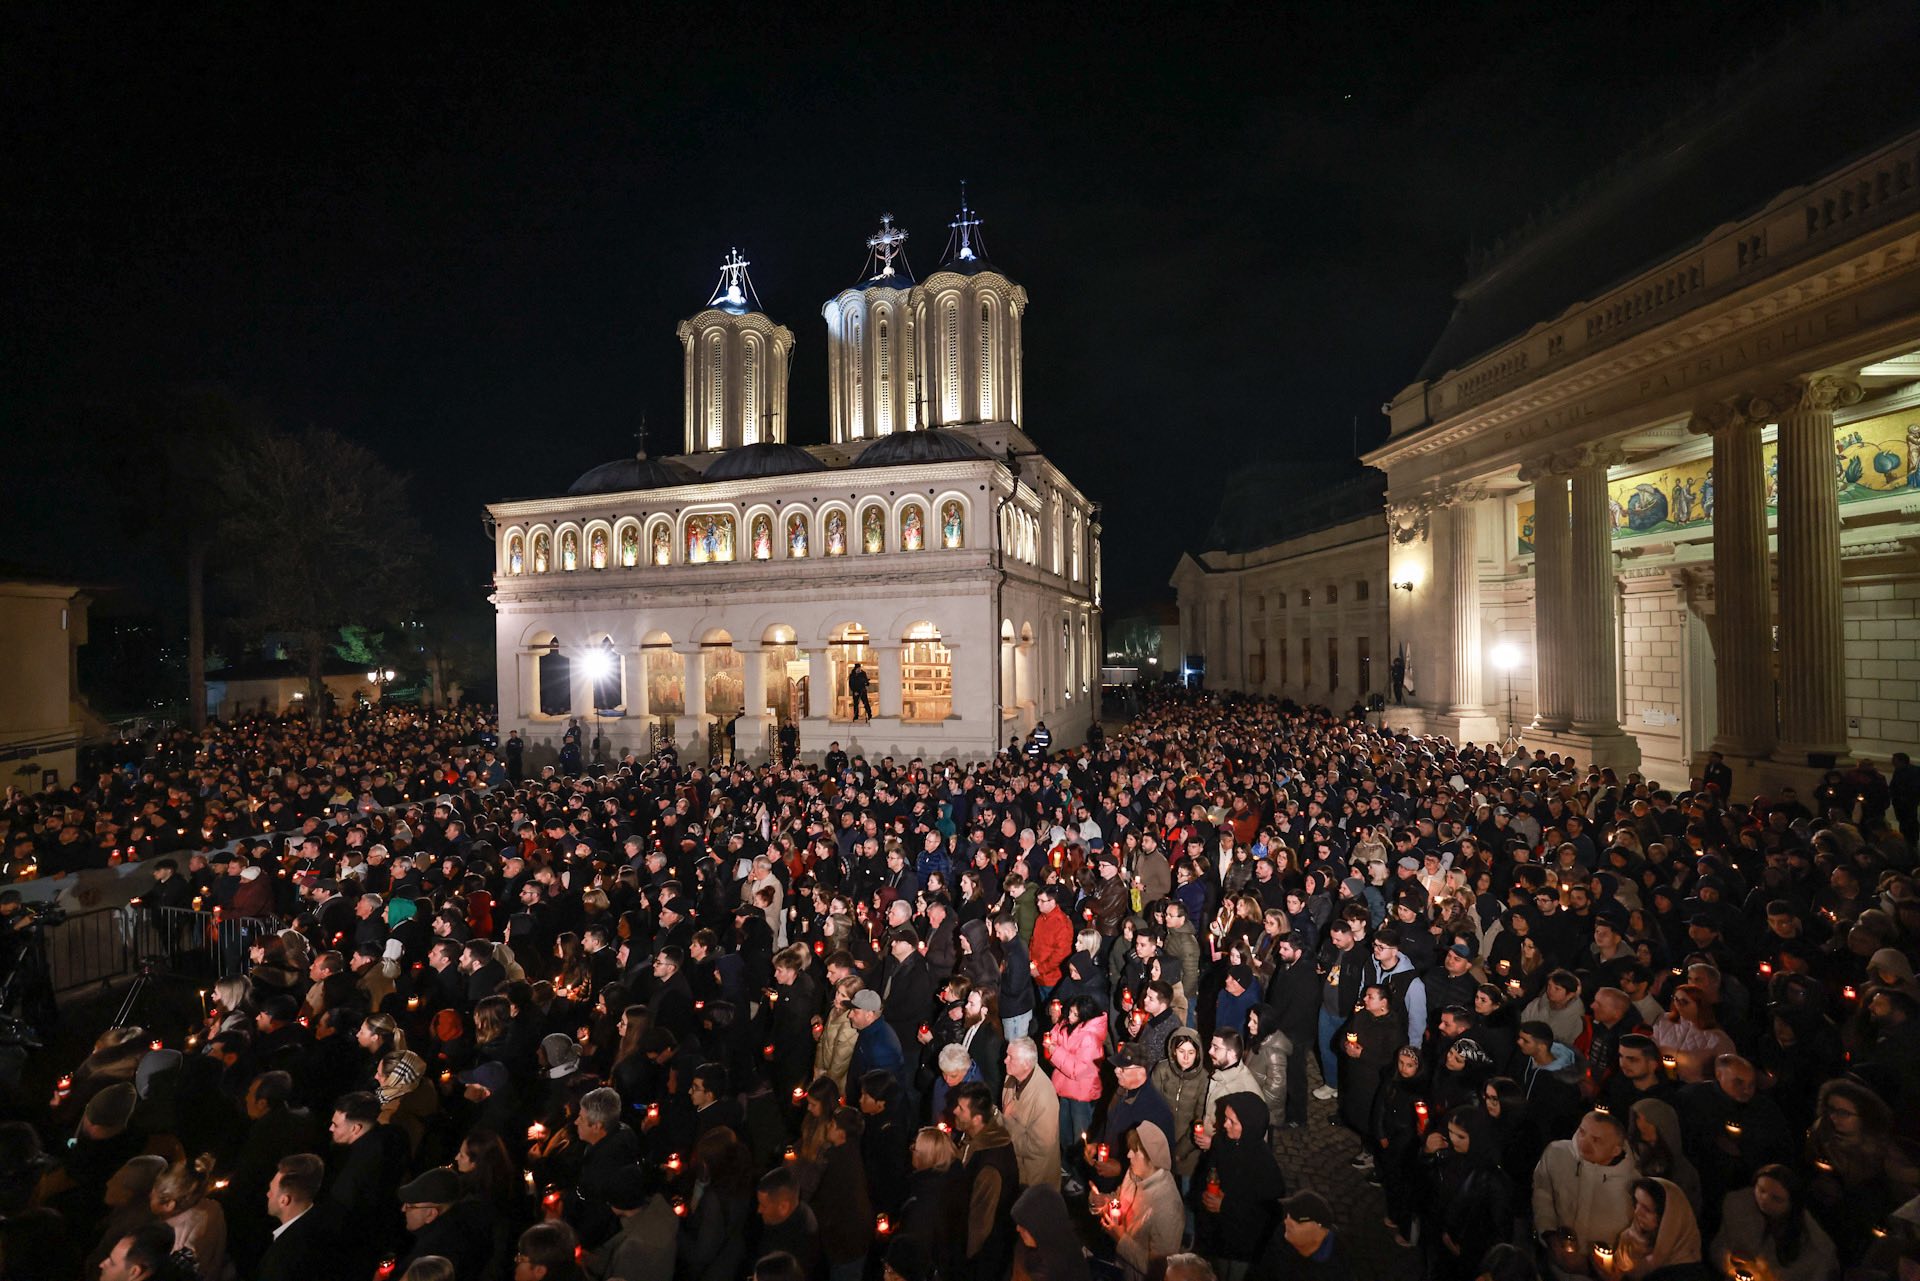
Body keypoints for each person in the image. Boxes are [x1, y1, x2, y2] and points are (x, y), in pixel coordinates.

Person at [1533, 1110, 1639, 1281]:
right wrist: (1549, 1234)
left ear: (1615, 1150)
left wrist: (1591, 1266)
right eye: (1582, 1132)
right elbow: (1542, 1193)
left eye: (1596, 1140)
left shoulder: (1633, 1186)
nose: (1584, 1143)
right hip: (1552, 1269)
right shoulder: (1557, 1154)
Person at [1707, 1165, 1838, 1281]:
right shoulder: (1738, 1209)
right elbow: (1719, 1245)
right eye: (1761, 1190)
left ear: (1791, 1204)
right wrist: (1730, 1260)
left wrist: (1761, 1269)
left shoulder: (1810, 1241)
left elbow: (1808, 1271)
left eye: (1776, 1199)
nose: (1764, 1200)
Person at [1596, 1177, 1707, 1281]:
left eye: (1647, 1209)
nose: (1637, 1212)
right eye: (1636, 1203)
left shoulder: (1686, 1273)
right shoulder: (1628, 1243)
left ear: (1669, 1219)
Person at [1000, 1037, 1060, 1189]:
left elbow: (1040, 1147)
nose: (1005, 1061)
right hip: (1014, 1166)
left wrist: (1007, 1123)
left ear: (1026, 1064)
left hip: (1033, 1178)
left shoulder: (1044, 1097)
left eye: (1010, 1057)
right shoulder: (1011, 1077)